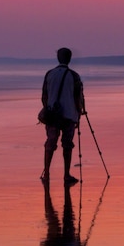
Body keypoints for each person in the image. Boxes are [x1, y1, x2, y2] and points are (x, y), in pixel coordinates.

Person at [41, 47, 85, 184]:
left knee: (50, 144)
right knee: (67, 144)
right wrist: (80, 113)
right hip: (69, 115)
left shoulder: (50, 74)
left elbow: (44, 96)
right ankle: (66, 175)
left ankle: (47, 174)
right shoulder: (74, 76)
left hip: (53, 115)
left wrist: (47, 108)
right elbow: (79, 98)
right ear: (70, 59)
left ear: (58, 58)